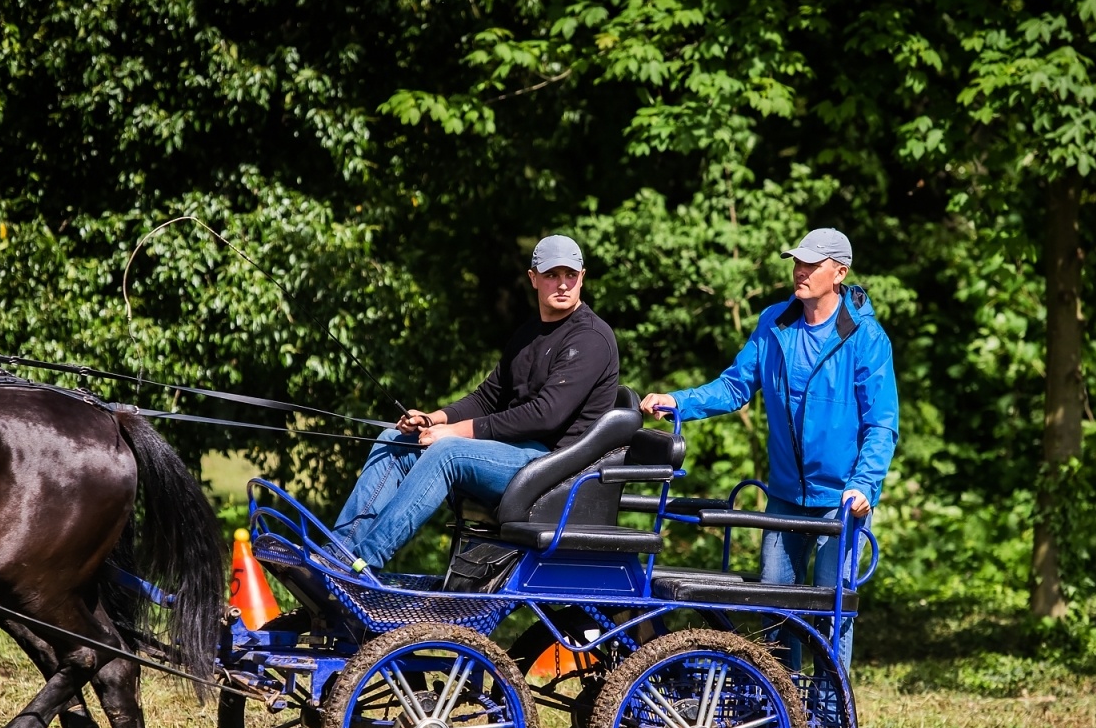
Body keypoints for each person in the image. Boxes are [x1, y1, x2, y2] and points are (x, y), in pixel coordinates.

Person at [640, 226, 898, 603]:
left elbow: (881, 425)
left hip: (842, 500)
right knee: (774, 610)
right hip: (784, 495)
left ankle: (829, 650)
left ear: (840, 273)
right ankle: (781, 649)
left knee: (831, 613)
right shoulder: (774, 323)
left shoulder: (867, 338)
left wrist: (864, 485)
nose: (800, 270)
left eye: (812, 264)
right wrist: (679, 402)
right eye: (797, 262)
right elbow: (735, 386)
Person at [333, 235, 620, 572]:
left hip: (554, 466)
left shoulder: (590, 338)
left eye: (570, 275)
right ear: (533, 278)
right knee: (395, 441)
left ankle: (363, 565)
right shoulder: (529, 334)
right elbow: (488, 397)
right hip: (517, 452)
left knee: (448, 452)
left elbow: (546, 415)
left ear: (582, 277)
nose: (562, 284)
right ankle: (337, 554)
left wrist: (455, 432)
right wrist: (433, 419)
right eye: (551, 275)